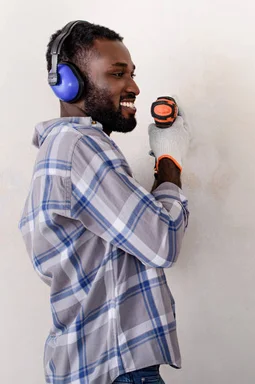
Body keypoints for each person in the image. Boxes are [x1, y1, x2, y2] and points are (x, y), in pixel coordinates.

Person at [18, 20, 192, 384]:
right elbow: (162, 243)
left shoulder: (61, 151)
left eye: (132, 73)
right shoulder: (80, 146)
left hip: (92, 368)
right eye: (118, 74)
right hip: (115, 370)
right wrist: (170, 163)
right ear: (69, 83)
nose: (134, 86)